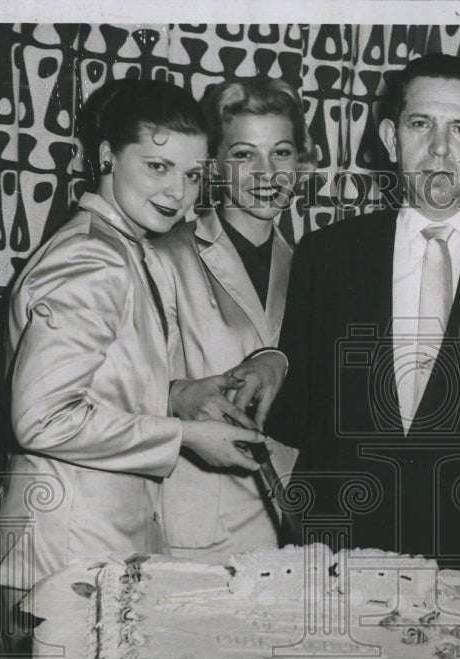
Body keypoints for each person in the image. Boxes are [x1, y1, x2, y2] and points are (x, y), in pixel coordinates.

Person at [0, 78, 264, 659]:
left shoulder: (120, 247)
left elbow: (99, 387)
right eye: (159, 166)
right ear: (107, 156)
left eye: (194, 176)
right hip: (62, 555)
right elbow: (40, 417)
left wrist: (184, 396)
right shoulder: (94, 260)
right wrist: (183, 436)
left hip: (82, 553)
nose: (178, 192)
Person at [236, 53, 460, 586]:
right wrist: (267, 363)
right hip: (340, 560)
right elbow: (294, 413)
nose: (439, 149)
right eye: (421, 125)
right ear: (392, 139)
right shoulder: (326, 255)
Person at [153, 76, 316, 558]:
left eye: (281, 153)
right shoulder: (165, 256)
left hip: (289, 529)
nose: (267, 172)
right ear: (215, 163)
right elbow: (114, 393)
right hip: (195, 533)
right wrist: (177, 396)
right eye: (245, 154)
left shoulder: (314, 267)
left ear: (300, 161)